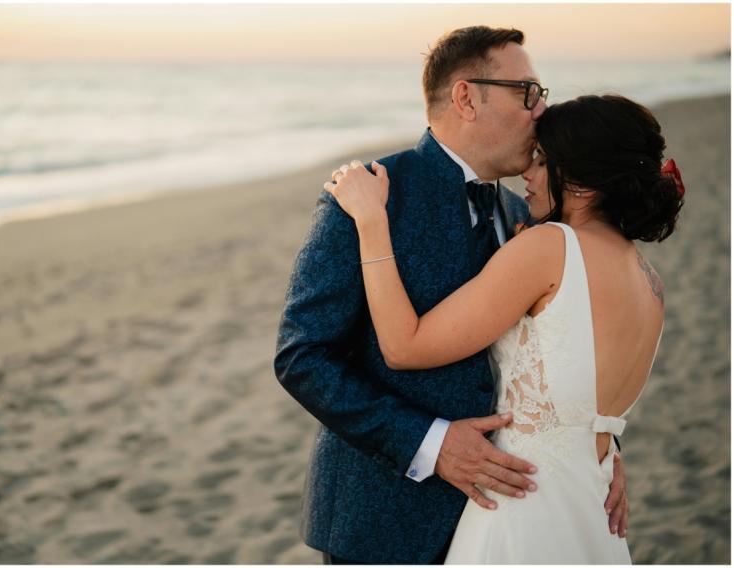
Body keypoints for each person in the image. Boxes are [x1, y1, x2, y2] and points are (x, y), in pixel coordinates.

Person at [274, 26, 629, 564]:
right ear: (467, 96)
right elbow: (302, 356)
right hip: (388, 519)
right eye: (526, 92)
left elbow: (557, 354)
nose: (540, 111)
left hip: (511, 518)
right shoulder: (372, 194)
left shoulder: (523, 215)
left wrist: (598, 448)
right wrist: (431, 444)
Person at [324, 93, 684, 562]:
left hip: (522, 505)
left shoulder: (549, 247)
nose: (526, 175)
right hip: (593, 507)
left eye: (541, 161)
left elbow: (403, 346)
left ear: (583, 182)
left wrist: (372, 222)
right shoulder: (649, 280)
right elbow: (590, 403)